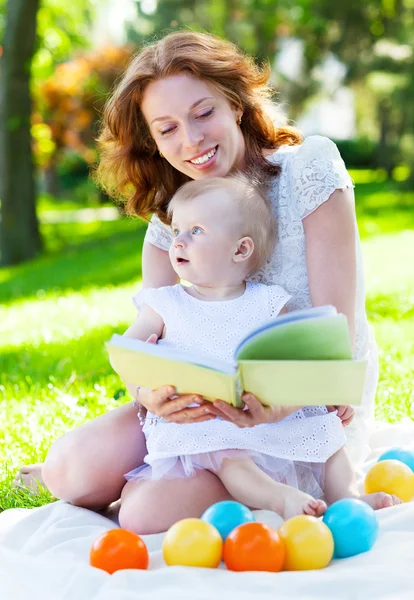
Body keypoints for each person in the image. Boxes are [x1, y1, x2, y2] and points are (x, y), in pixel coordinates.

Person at [17, 31, 378, 522]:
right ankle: (144, 474)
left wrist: (279, 403)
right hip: (204, 413)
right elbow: (152, 345)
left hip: (307, 407)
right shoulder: (172, 224)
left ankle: (159, 488)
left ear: (235, 104)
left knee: (143, 513)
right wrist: (152, 396)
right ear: (152, 141)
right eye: (167, 129)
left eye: (203, 113)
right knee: (68, 470)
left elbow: (335, 341)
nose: (192, 141)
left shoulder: (307, 171)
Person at [118, 174, 400, 535]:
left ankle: (348, 497)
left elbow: (298, 357)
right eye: (177, 232)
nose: (179, 242)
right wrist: (144, 391)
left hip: (269, 416)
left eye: (196, 231)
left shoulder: (268, 301)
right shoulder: (164, 304)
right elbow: (128, 353)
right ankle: (276, 499)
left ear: (240, 250)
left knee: (327, 436)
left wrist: (325, 393)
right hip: (209, 423)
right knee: (229, 458)